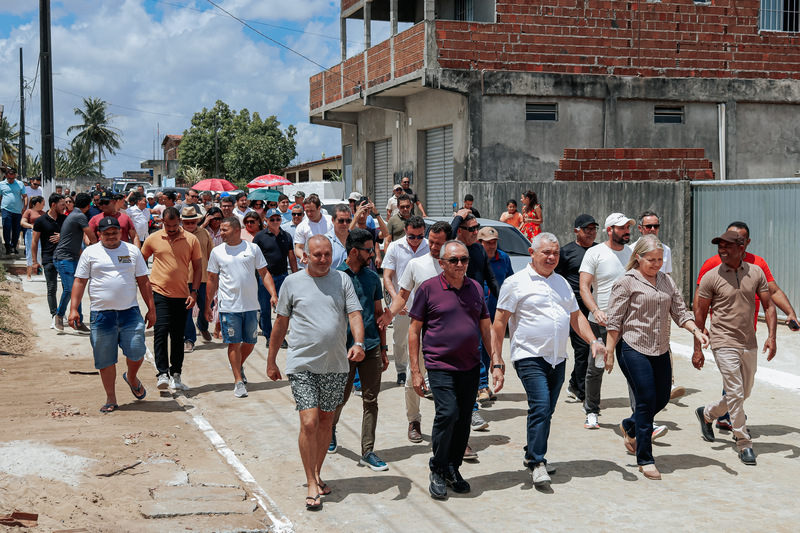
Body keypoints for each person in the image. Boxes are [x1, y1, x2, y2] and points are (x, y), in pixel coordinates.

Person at [492, 233, 605, 486]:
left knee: (547, 411)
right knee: (541, 406)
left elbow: (576, 317)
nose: (552, 257)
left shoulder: (562, 283)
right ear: (532, 253)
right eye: (546, 252)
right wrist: (496, 359)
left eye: (555, 253)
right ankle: (537, 461)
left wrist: (594, 342)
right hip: (529, 356)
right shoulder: (515, 283)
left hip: (558, 358)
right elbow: (499, 323)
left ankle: (532, 450)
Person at [266, 235, 365, 511]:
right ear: (304, 257)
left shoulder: (342, 280)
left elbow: (355, 313)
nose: (323, 259)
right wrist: (272, 360)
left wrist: (358, 342)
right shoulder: (292, 282)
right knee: (309, 422)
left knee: (325, 420)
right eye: (317, 255)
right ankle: (311, 481)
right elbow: (281, 323)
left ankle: (317, 472)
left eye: (327, 254)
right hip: (302, 364)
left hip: (335, 364)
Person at [605, 235, 709, 480]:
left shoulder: (666, 281)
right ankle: (645, 458)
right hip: (633, 347)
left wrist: (697, 331)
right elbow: (614, 320)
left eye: (660, 259)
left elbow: (680, 312)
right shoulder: (626, 282)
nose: (656, 264)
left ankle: (630, 426)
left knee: (661, 399)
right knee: (645, 399)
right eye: (651, 259)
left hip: (660, 348)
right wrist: (609, 351)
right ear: (638, 258)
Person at [408, 240, 500, 500]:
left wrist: (495, 361)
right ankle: (437, 468)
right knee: (447, 414)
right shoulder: (428, 289)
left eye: (465, 259)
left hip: (470, 365)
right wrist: (416, 370)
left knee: (463, 420)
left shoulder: (475, 289)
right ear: (442, 263)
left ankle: (452, 468)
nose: (460, 264)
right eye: (454, 260)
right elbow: (414, 331)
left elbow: (486, 327)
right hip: (440, 365)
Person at [694, 220, 798, 431]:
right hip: (723, 334)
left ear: (746, 243)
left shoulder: (757, 264)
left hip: (748, 333)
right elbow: (699, 300)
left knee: (742, 387)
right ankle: (742, 438)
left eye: (738, 240)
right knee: (735, 386)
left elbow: (773, 292)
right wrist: (700, 329)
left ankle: (716, 414)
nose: (728, 245)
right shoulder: (712, 264)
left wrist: (790, 313)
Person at [693, 230, 777, 466]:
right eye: (719, 245)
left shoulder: (756, 272)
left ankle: (707, 413)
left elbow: (769, 306)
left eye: (727, 246)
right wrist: (697, 348)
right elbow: (699, 313)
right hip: (723, 341)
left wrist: (772, 336)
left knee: (743, 392)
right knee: (736, 392)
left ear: (741, 248)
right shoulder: (711, 276)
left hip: (749, 342)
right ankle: (743, 442)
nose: (721, 249)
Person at [68, 216, 156, 413]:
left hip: (130, 313)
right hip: (101, 316)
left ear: (120, 232)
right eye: (106, 234)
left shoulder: (132, 251)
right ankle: (111, 397)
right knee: (105, 359)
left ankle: (132, 378)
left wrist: (151, 309)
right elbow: (80, 281)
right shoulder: (90, 253)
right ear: (99, 234)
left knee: (136, 351)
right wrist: (74, 309)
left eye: (114, 233)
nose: (111, 237)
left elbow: (143, 281)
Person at [378, 221, 450, 445]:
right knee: (413, 377)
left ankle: (450, 429)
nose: (434, 247)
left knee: (447, 383)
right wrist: (389, 314)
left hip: (448, 335)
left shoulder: (456, 265)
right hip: (419, 331)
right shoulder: (416, 265)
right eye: (433, 242)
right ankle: (414, 421)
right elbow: (402, 295)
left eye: (440, 244)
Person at [328, 229, 391, 471]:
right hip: (342, 350)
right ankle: (330, 430)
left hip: (372, 347)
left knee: (371, 400)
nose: (373, 253)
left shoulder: (373, 278)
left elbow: (378, 315)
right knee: (340, 398)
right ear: (354, 251)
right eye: (368, 249)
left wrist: (384, 349)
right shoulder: (334, 277)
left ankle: (368, 450)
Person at [207, 217, 277, 398]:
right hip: (228, 305)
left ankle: (237, 364)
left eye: (224, 230)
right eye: (221, 230)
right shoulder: (217, 252)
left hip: (251, 305)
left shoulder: (252, 249)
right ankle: (238, 381)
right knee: (233, 342)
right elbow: (212, 279)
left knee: (250, 342)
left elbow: (264, 273)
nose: (221, 233)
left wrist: (273, 295)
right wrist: (208, 304)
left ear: (237, 230)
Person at [578, 213, 633, 430]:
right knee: (597, 366)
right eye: (622, 227)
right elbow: (584, 286)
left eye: (628, 226)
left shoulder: (632, 254)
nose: (627, 230)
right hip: (600, 322)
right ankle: (591, 410)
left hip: (628, 324)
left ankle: (641, 415)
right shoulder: (595, 253)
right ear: (610, 230)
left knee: (633, 368)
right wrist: (596, 310)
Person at [141, 207, 202, 392]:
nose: (171, 229)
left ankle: (176, 374)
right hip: (159, 292)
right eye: (168, 225)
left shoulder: (191, 240)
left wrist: (194, 292)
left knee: (177, 336)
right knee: (160, 332)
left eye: (175, 225)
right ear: (162, 223)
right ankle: (162, 373)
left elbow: (198, 267)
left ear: (180, 222)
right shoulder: (153, 238)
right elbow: (140, 261)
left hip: (182, 295)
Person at [554, 214, 598, 404]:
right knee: (581, 349)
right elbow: (557, 278)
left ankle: (574, 383)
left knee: (594, 347)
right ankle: (581, 390)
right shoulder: (566, 252)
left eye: (593, 229)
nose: (591, 233)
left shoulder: (599, 251)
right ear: (576, 231)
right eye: (587, 230)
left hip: (596, 307)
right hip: (574, 308)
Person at [382, 215, 429, 385]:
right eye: (412, 236)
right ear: (405, 232)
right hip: (402, 305)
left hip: (424, 307)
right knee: (400, 340)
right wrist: (396, 300)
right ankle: (401, 370)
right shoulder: (395, 247)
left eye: (420, 236)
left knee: (425, 342)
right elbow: (387, 277)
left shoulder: (430, 247)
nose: (416, 240)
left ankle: (424, 373)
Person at [476, 226, 514, 403]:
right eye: (488, 243)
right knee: (478, 347)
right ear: (479, 242)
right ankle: (482, 385)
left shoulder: (503, 258)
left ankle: (485, 385)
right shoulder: (474, 257)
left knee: (491, 348)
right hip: (477, 311)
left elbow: (511, 281)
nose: (492, 246)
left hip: (497, 311)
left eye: (494, 243)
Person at [52, 192, 97, 332]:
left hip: (71, 258)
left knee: (77, 290)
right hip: (64, 258)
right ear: (88, 205)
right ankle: (59, 315)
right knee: (70, 289)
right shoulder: (79, 216)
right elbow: (92, 237)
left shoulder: (74, 214)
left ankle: (79, 321)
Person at [253, 208, 297, 346]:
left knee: (283, 309)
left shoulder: (287, 236)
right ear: (266, 221)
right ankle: (269, 337)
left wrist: (296, 276)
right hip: (265, 278)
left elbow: (291, 257)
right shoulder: (260, 237)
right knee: (265, 309)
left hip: (283, 277)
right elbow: (253, 258)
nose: (275, 221)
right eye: (272, 219)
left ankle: (279, 336)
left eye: (278, 219)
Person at [180, 207, 214, 350]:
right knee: (187, 309)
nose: (190, 225)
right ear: (182, 222)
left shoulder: (204, 233)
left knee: (208, 305)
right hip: (184, 278)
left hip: (204, 277)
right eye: (187, 223)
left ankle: (202, 325)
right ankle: (189, 339)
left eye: (193, 222)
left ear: (197, 220)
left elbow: (211, 253)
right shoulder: (177, 235)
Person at [31, 193, 67, 325]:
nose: (64, 207)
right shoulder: (40, 221)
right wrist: (35, 262)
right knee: (51, 288)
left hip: (64, 258)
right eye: (62, 204)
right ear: (54, 204)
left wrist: (61, 237)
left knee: (67, 288)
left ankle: (62, 312)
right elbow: (34, 242)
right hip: (48, 258)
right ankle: (54, 315)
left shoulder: (65, 219)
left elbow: (72, 235)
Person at [350, 199, 387, 270]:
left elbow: (385, 234)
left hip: (369, 268)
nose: (361, 216)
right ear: (354, 212)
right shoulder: (352, 230)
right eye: (359, 212)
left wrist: (377, 213)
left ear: (368, 213)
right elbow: (347, 234)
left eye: (364, 212)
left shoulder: (371, 231)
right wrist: (355, 217)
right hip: (354, 269)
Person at [293, 194, 333, 260]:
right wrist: (302, 256)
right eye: (307, 211)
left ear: (319, 208)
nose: (309, 214)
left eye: (311, 211)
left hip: (332, 264)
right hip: (311, 266)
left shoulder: (331, 221)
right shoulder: (301, 227)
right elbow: (298, 248)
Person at [1, 167, 27, 255]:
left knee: (16, 230)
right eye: (8, 178)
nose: (10, 180)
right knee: (6, 227)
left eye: (12, 178)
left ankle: (14, 246)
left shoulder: (20, 184)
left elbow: (25, 196)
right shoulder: (1, 184)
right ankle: (7, 245)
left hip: (18, 211)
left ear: (15, 176)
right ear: (5, 176)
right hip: (6, 209)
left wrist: (25, 207)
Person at [21, 196, 45, 280]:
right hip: (31, 233)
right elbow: (23, 222)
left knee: (40, 252)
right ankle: (29, 274)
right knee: (30, 253)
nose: (44, 205)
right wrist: (32, 226)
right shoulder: (29, 211)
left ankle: (41, 272)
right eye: (43, 203)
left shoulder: (43, 213)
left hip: (41, 234)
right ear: (38, 203)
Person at [327, 204, 351, 269]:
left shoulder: (357, 239)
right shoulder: (325, 241)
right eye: (341, 221)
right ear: (333, 220)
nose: (345, 224)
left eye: (348, 221)